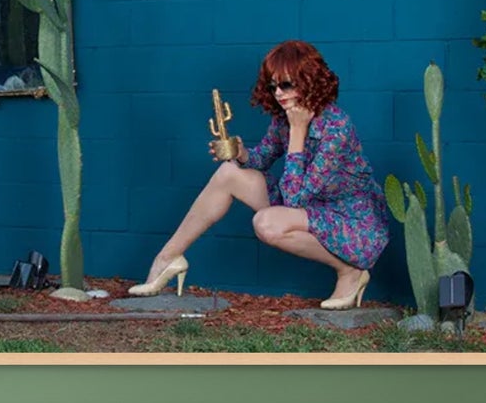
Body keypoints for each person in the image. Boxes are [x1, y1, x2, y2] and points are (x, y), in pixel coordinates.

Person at [128, 40, 389, 308]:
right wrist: (241, 153)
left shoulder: (337, 128)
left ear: (308, 80)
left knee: (267, 223)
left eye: (286, 84)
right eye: (272, 85)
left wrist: (298, 133)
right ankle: (168, 258)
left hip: (350, 221)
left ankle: (350, 272)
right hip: (309, 208)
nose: (278, 92)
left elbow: (294, 200)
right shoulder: (284, 119)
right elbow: (261, 159)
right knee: (228, 172)